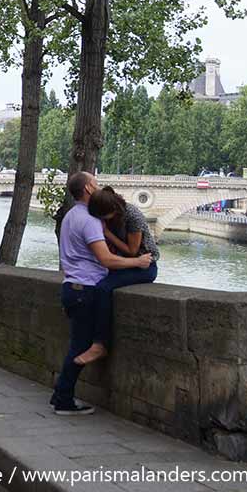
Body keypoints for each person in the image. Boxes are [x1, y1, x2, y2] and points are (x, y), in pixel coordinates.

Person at [51, 172, 153, 416]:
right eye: (94, 183)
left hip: (72, 286)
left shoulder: (70, 215)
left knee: (77, 344)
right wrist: (137, 262)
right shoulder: (89, 219)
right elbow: (106, 259)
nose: (97, 186)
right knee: (79, 348)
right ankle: (63, 399)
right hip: (85, 288)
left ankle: (61, 396)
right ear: (88, 188)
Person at [77, 187, 160, 365]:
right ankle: (87, 336)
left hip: (144, 266)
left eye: (101, 217)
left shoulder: (132, 215)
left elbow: (133, 252)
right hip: (124, 264)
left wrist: (107, 234)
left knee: (103, 288)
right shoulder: (107, 213)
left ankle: (100, 344)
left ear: (112, 210)